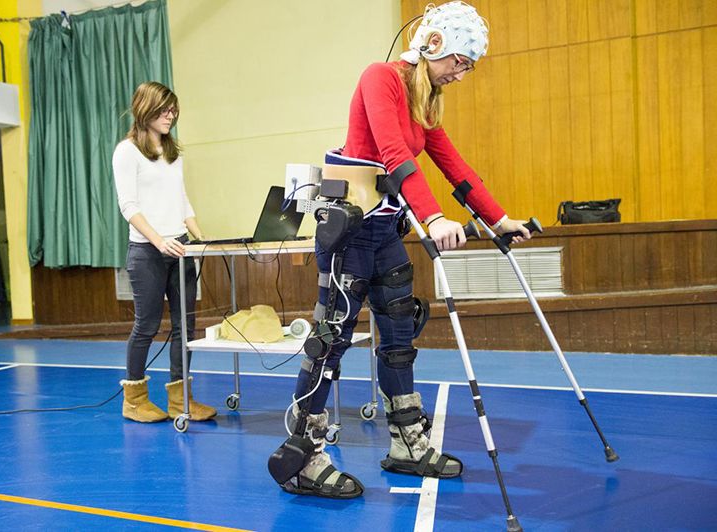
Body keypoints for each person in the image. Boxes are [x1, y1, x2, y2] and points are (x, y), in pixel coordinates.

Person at [274, 1, 531, 498]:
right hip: (350, 233)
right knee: (329, 344)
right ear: (434, 44)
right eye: (460, 61)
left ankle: (406, 443)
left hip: (386, 232)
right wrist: (433, 217)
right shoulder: (380, 78)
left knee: (397, 339)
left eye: (468, 66)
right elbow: (392, 153)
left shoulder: (424, 100)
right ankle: (303, 457)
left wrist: (499, 218)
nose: (462, 73)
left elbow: (455, 165)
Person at [113, 81, 217, 423]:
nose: (170, 116)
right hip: (147, 253)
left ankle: (179, 399)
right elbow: (128, 206)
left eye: (174, 111)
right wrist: (159, 241)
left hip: (180, 248)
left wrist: (198, 235)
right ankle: (134, 400)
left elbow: (181, 199)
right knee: (146, 325)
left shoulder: (173, 154)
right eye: (164, 111)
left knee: (184, 327)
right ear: (146, 109)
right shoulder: (127, 151)